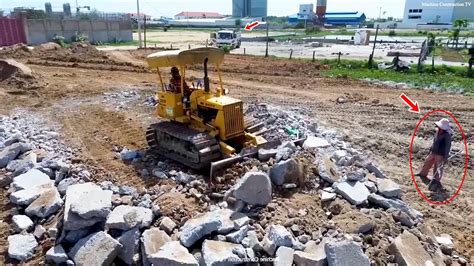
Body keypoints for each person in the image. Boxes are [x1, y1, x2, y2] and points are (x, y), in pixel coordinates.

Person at [416, 118, 453, 191]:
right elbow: (434, 142)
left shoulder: (447, 135)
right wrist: (430, 150)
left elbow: (448, 147)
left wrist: (445, 157)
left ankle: (436, 181)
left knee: (437, 167)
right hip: (433, 152)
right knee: (427, 162)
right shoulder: (437, 132)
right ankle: (423, 174)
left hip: (440, 154)